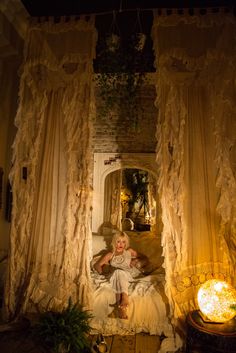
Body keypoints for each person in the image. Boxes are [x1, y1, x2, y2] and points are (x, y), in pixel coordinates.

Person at [94, 230, 148, 319]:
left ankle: (121, 302)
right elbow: (97, 265)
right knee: (118, 272)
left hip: (129, 275)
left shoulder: (129, 251)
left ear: (126, 243)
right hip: (116, 275)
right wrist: (103, 273)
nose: (121, 244)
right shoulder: (110, 254)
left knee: (119, 272)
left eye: (123, 242)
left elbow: (145, 258)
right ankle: (122, 307)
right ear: (114, 242)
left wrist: (135, 261)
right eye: (118, 242)